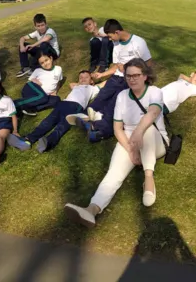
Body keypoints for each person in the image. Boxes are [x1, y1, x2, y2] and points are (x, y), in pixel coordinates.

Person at [64, 59, 168, 228]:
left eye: (136, 75)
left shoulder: (155, 92)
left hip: (155, 140)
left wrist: (138, 132)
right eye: (128, 76)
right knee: (114, 173)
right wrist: (131, 150)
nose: (132, 79)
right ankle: (91, 210)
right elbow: (118, 128)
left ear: (145, 76)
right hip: (129, 139)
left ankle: (148, 177)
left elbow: (153, 113)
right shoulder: (122, 96)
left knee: (146, 127)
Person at [72, 19, 153, 142]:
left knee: (115, 102)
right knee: (103, 94)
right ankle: (87, 115)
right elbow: (116, 66)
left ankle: (100, 129)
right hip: (117, 76)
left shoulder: (138, 42)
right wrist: (102, 74)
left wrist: (130, 71)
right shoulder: (117, 43)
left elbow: (148, 64)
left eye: (110, 36)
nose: (109, 39)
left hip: (131, 79)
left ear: (117, 32)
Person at [7, 70, 101, 153]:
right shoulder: (76, 86)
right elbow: (71, 84)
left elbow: (106, 83)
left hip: (76, 106)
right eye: (81, 77)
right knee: (47, 121)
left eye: (86, 77)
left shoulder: (93, 89)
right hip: (62, 104)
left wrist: (99, 75)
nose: (83, 79)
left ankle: (48, 142)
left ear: (92, 81)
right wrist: (81, 82)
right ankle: (27, 141)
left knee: (62, 125)